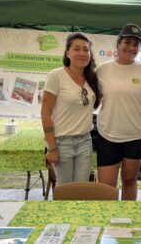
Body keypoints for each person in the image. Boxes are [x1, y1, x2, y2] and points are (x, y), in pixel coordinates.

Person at [96, 24, 141, 200]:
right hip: (108, 134)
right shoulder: (102, 70)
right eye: (127, 42)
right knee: (105, 186)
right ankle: (107, 222)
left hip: (136, 135)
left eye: (136, 45)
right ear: (119, 44)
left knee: (129, 180)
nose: (131, 48)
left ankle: (127, 222)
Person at [41, 33, 101, 185]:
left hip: (85, 141)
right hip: (62, 143)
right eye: (77, 49)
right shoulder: (56, 76)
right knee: (65, 191)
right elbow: (45, 112)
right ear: (68, 53)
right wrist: (52, 147)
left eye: (86, 50)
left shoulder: (92, 78)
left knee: (81, 189)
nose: (82, 53)